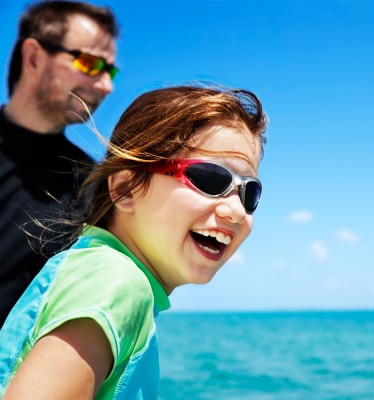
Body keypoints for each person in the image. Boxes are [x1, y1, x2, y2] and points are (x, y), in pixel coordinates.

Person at [0, 85, 268, 398]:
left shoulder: (97, 269)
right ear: (127, 190)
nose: (236, 211)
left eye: (250, 194)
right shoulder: (118, 283)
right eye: (210, 179)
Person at [0, 1, 119, 326]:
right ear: (34, 57)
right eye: (91, 64)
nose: (107, 85)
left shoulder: (91, 182)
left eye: (111, 71)